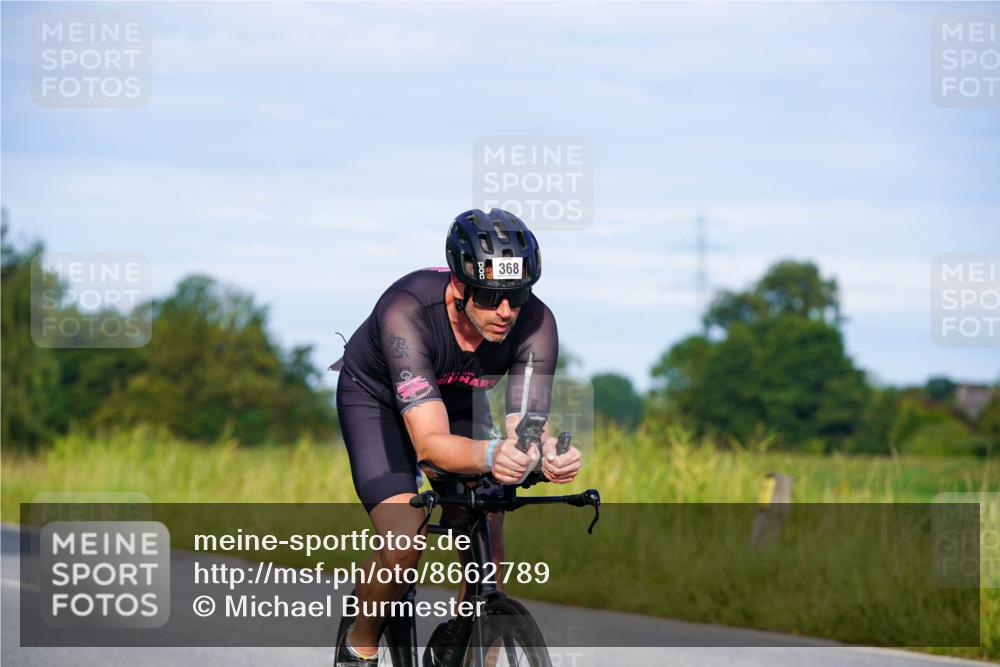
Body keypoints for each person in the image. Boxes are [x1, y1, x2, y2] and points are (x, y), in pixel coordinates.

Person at [331, 208, 582, 666]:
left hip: (458, 400)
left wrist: (545, 452)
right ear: (458, 285)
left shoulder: (536, 322)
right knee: (404, 541)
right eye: (489, 296)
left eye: (518, 294)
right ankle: (359, 644)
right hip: (377, 403)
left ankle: (472, 646)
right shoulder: (406, 310)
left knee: (487, 522)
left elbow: (526, 425)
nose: (505, 311)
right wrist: (491, 453)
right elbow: (430, 445)